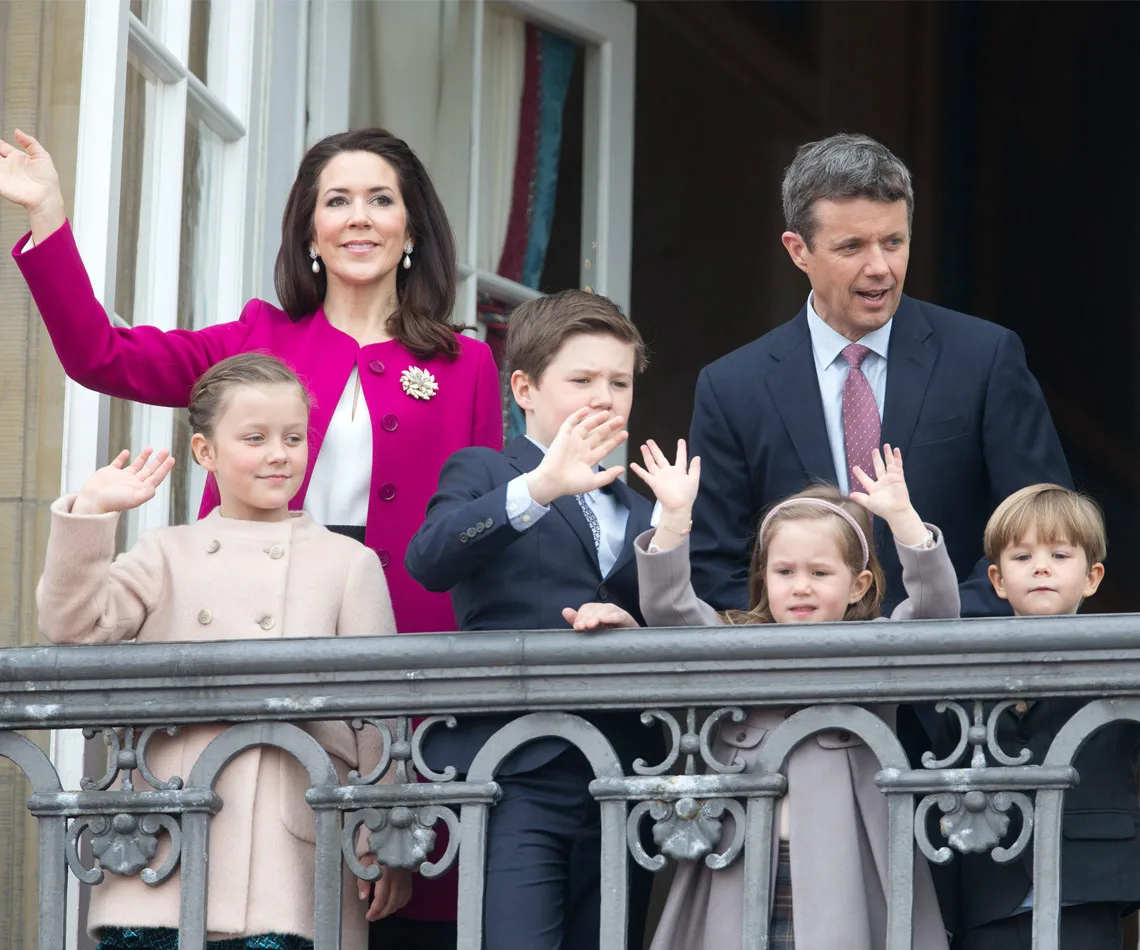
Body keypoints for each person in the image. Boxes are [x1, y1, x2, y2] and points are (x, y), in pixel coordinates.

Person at [0, 126, 502, 942]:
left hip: (394, 668)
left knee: (395, 909)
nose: (360, 218)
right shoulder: (254, 339)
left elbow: (480, 534)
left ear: (413, 227)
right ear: (309, 229)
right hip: (242, 655)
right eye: (336, 201)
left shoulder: (465, 364)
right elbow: (100, 355)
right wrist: (49, 218)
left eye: (382, 200)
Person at [36, 353, 406, 950]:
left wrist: (387, 839)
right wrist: (92, 512)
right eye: (255, 438)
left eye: (294, 437)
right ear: (206, 452)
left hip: (287, 856)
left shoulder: (347, 563)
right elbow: (72, 626)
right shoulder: (166, 551)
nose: (279, 454)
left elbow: (379, 715)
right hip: (162, 851)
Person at [686, 132, 1071, 621]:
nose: (880, 268)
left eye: (894, 242)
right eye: (852, 247)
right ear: (798, 250)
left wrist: (937, 625)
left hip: (958, 674)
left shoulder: (985, 357)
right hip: (800, 683)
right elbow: (715, 564)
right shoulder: (732, 387)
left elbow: (1047, 530)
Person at [404, 289, 660, 950]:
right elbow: (429, 559)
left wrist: (641, 632)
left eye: (619, 382)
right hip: (518, 768)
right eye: (582, 380)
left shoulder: (646, 506)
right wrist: (542, 487)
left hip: (625, 774)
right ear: (524, 387)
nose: (604, 397)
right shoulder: (488, 470)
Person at [631, 440, 955, 950]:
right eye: (785, 572)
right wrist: (674, 519)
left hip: (845, 870)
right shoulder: (735, 644)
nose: (800, 586)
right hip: (740, 867)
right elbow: (670, 609)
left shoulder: (876, 649)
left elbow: (936, 616)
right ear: (764, 578)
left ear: (858, 584)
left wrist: (905, 521)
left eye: (820, 572)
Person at [944, 484, 1139, 950]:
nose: (1041, 567)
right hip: (990, 887)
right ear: (996, 579)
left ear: (1092, 577)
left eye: (1059, 554)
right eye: (1022, 556)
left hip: (1089, 884)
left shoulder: (1120, 660)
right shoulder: (964, 664)